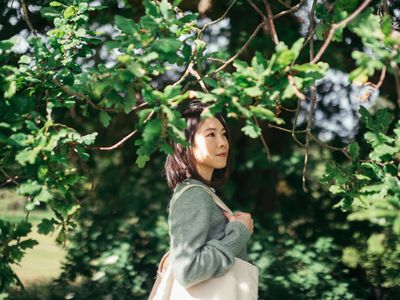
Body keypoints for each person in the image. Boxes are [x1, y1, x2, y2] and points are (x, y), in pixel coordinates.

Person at [163, 100, 255, 290]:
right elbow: (188, 272)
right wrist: (238, 233)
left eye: (223, 134)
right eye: (210, 134)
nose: (222, 143)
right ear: (185, 143)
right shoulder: (193, 195)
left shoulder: (200, 193)